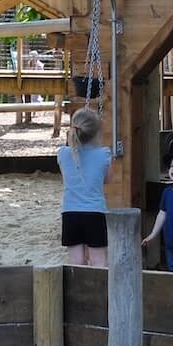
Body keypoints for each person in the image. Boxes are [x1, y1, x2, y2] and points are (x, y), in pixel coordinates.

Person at [57, 107, 112, 267]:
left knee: (76, 263)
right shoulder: (104, 154)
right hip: (95, 212)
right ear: (96, 132)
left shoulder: (62, 154)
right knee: (99, 262)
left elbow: (67, 177)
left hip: (70, 212)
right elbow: (107, 179)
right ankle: (99, 291)